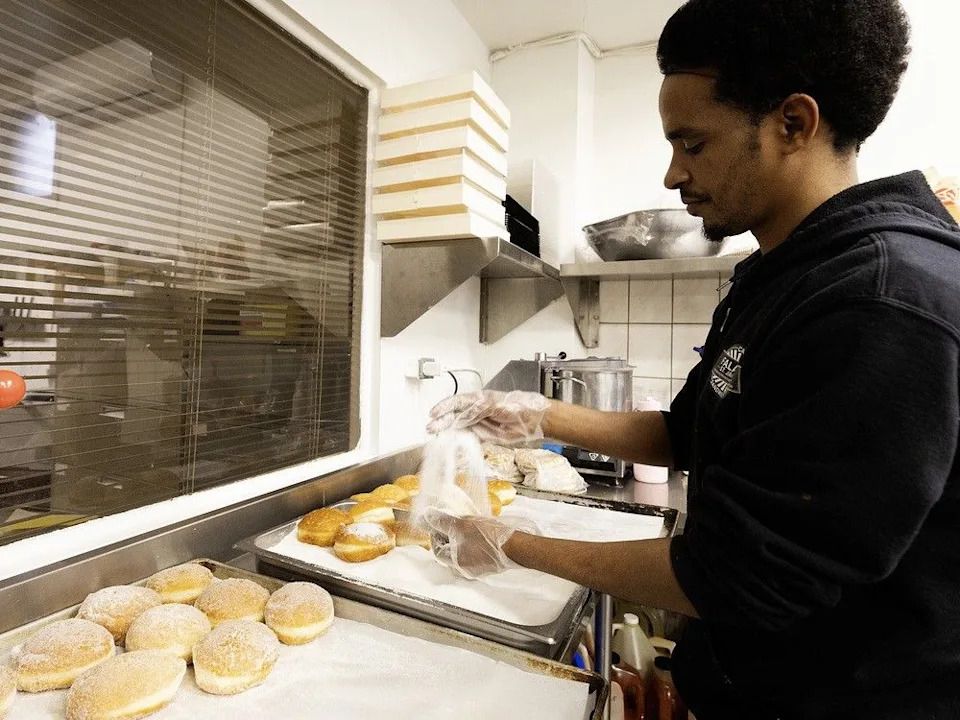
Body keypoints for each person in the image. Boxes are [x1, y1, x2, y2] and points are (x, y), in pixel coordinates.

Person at [424, 1, 960, 718]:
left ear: (793, 124)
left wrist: (509, 542)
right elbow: (684, 434)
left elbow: (741, 573)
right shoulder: (775, 275)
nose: (673, 174)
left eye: (693, 143)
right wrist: (535, 413)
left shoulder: (880, 300)